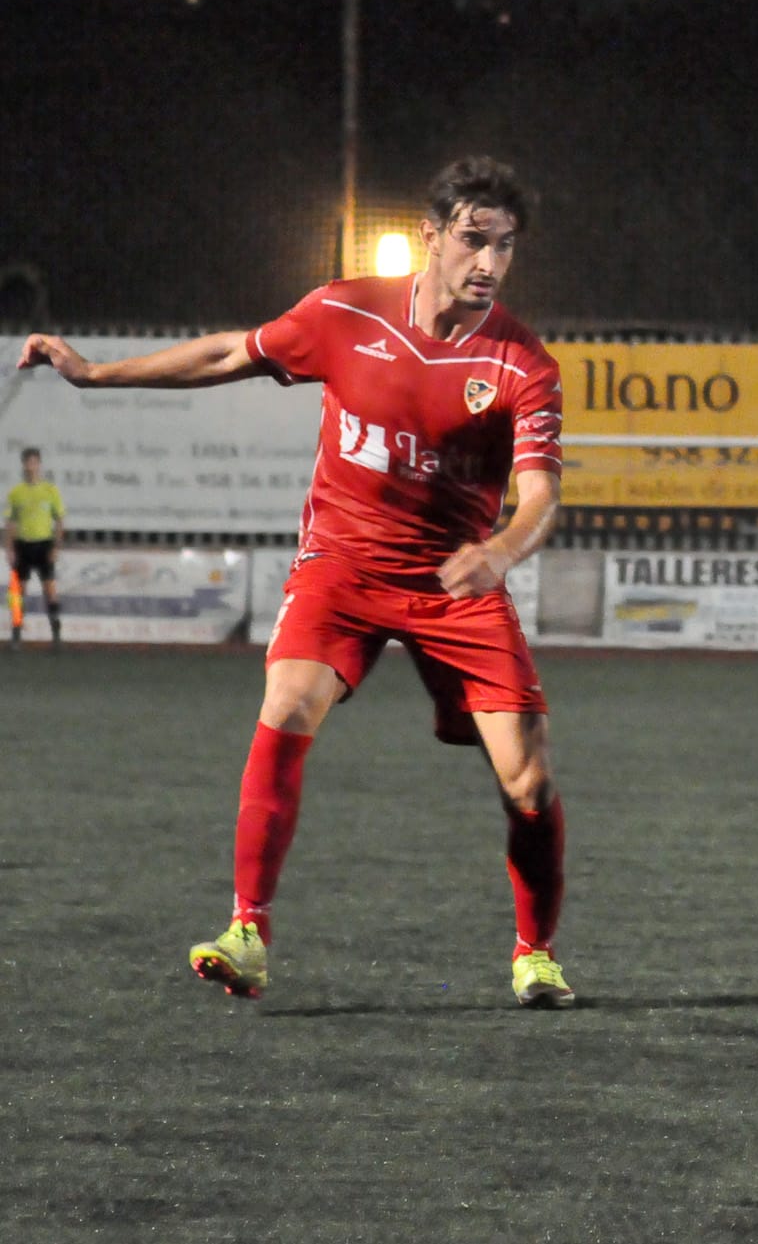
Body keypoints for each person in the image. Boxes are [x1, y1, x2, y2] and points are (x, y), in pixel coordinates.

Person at [16, 156, 578, 1009]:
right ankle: (248, 931)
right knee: (285, 704)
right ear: (430, 236)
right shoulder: (346, 311)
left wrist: (499, 552)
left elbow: (541, 496)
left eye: (504, 246)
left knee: (528, 782)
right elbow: (228, 354)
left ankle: (535, 952)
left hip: (453, 582)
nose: (490, 263)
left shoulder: (521, 364)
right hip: (342, 565)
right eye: (473, 240)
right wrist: (97, 375)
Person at [5, 447, 64, 647]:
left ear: (39, 464)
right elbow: (10, 523)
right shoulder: (16, 493)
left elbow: (60, 520)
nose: (31, 466)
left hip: (44, 544)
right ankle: (16, 633)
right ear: (23, 465)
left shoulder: (50, 491)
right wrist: (9, 548)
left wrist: (56, 547)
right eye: (27, 463)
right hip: (23, 545)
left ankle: (56, 632)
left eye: (34, 462)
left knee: (50, 589)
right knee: (18, 591)